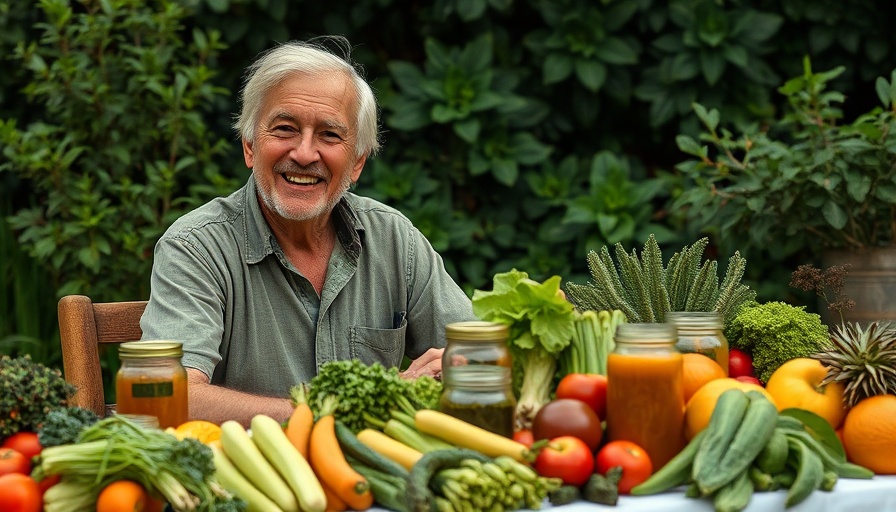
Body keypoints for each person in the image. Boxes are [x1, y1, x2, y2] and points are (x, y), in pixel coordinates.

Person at [139, 36, 475, 426]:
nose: (304, 153)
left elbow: (477, 357)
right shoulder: (196, 247)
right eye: (284, 129)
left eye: (330, 135)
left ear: (356, 164)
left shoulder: (395, 241)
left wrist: (459, 366)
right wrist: (355, 409)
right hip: (253, 480)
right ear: (250, 146)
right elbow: (168, 397)